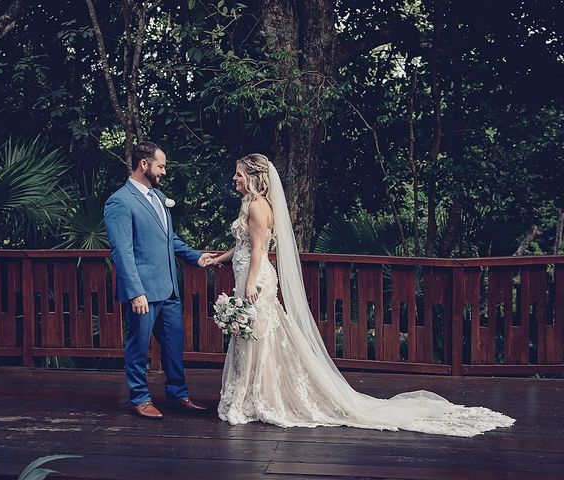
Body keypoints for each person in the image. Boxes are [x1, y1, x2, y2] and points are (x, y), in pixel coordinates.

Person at [209, 153, 515, 436]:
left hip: (255, 279)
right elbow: (245, 245)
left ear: (253, 176)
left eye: (238, 174)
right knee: (252, 334)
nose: (233, 179)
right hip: (246, 274)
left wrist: (250, 284)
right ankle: (249, 394)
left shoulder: (259, 206)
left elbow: (260, 249)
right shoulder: (251, 204)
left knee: (259, 334)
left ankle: (260, 397)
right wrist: (217, 258)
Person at [104, 141, 215, 420]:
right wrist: (135, 291)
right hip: (143, 291)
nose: (164, 171)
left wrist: (195, 257)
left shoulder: (159, 197)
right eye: (161, 166)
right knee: (138, 346)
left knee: (174, 344)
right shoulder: (120, 201)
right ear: (144, 164)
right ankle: (140, 398)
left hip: (169, 290)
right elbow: (122, 250)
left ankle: (178, 394)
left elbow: (169, 239)